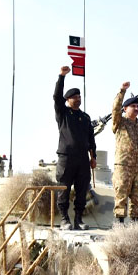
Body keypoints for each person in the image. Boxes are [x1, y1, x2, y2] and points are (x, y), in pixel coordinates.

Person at [53, 66, 97, 230]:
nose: (78, 99)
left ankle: (78, 219)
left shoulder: (85, 117)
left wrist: (93, 157)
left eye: (79, 96)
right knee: (64, 189)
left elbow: (91, 139)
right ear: (68, 100)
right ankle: (64, 219)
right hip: (66, 158)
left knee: (82, 190)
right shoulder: (63, 114)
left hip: (82, 159)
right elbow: (56, 97)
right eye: (74, 97)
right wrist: (61, 77)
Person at [111, 82, 138, 223]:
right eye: (133, 106)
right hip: (123, 167)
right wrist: (122, 91)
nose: (136, 108)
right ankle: (120, 225)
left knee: (137, 199)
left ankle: (135, 225)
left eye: (137, 106)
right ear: (125, 109)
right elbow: (115, 109)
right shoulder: (120, 122)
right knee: (121, 196)